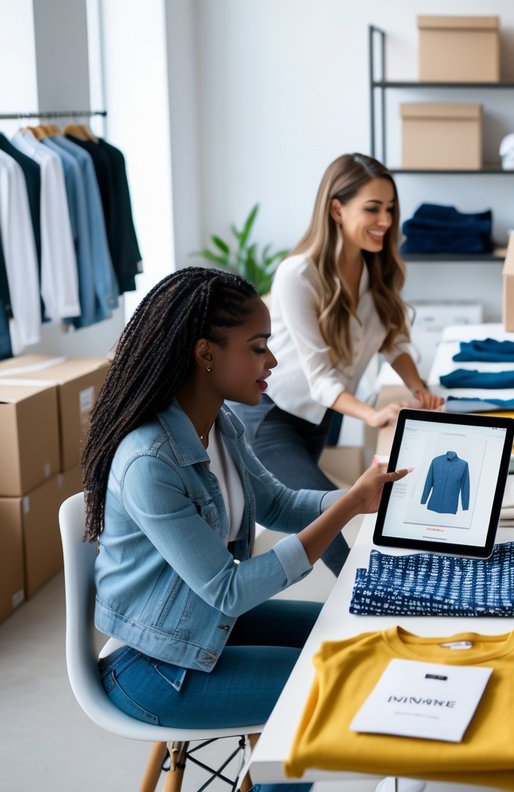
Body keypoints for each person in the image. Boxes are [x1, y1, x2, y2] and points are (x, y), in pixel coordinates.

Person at [81, 268, 407, 791]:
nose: (273, 363)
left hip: (203, 628)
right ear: (206, 353)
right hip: (156, 667)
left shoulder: (218, 423)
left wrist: (366, 496)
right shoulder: (150, 461)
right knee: (327, 691)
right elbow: (227, 591)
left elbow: (277, 503)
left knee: (358, 639)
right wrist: (348, 509)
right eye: (258, 349)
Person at [232, 153, 441, 575]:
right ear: (336, 208)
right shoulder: (299, 275)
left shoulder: (372, 271)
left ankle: (387, 592)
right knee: (336, 519)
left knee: (331, 514)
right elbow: (320, 378)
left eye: (389, 209)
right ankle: (375, 600)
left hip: (317, 422)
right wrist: (374, 414)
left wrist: (420, 390)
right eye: (372, 208)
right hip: (268, 418)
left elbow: (393, 341)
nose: (385, 219)